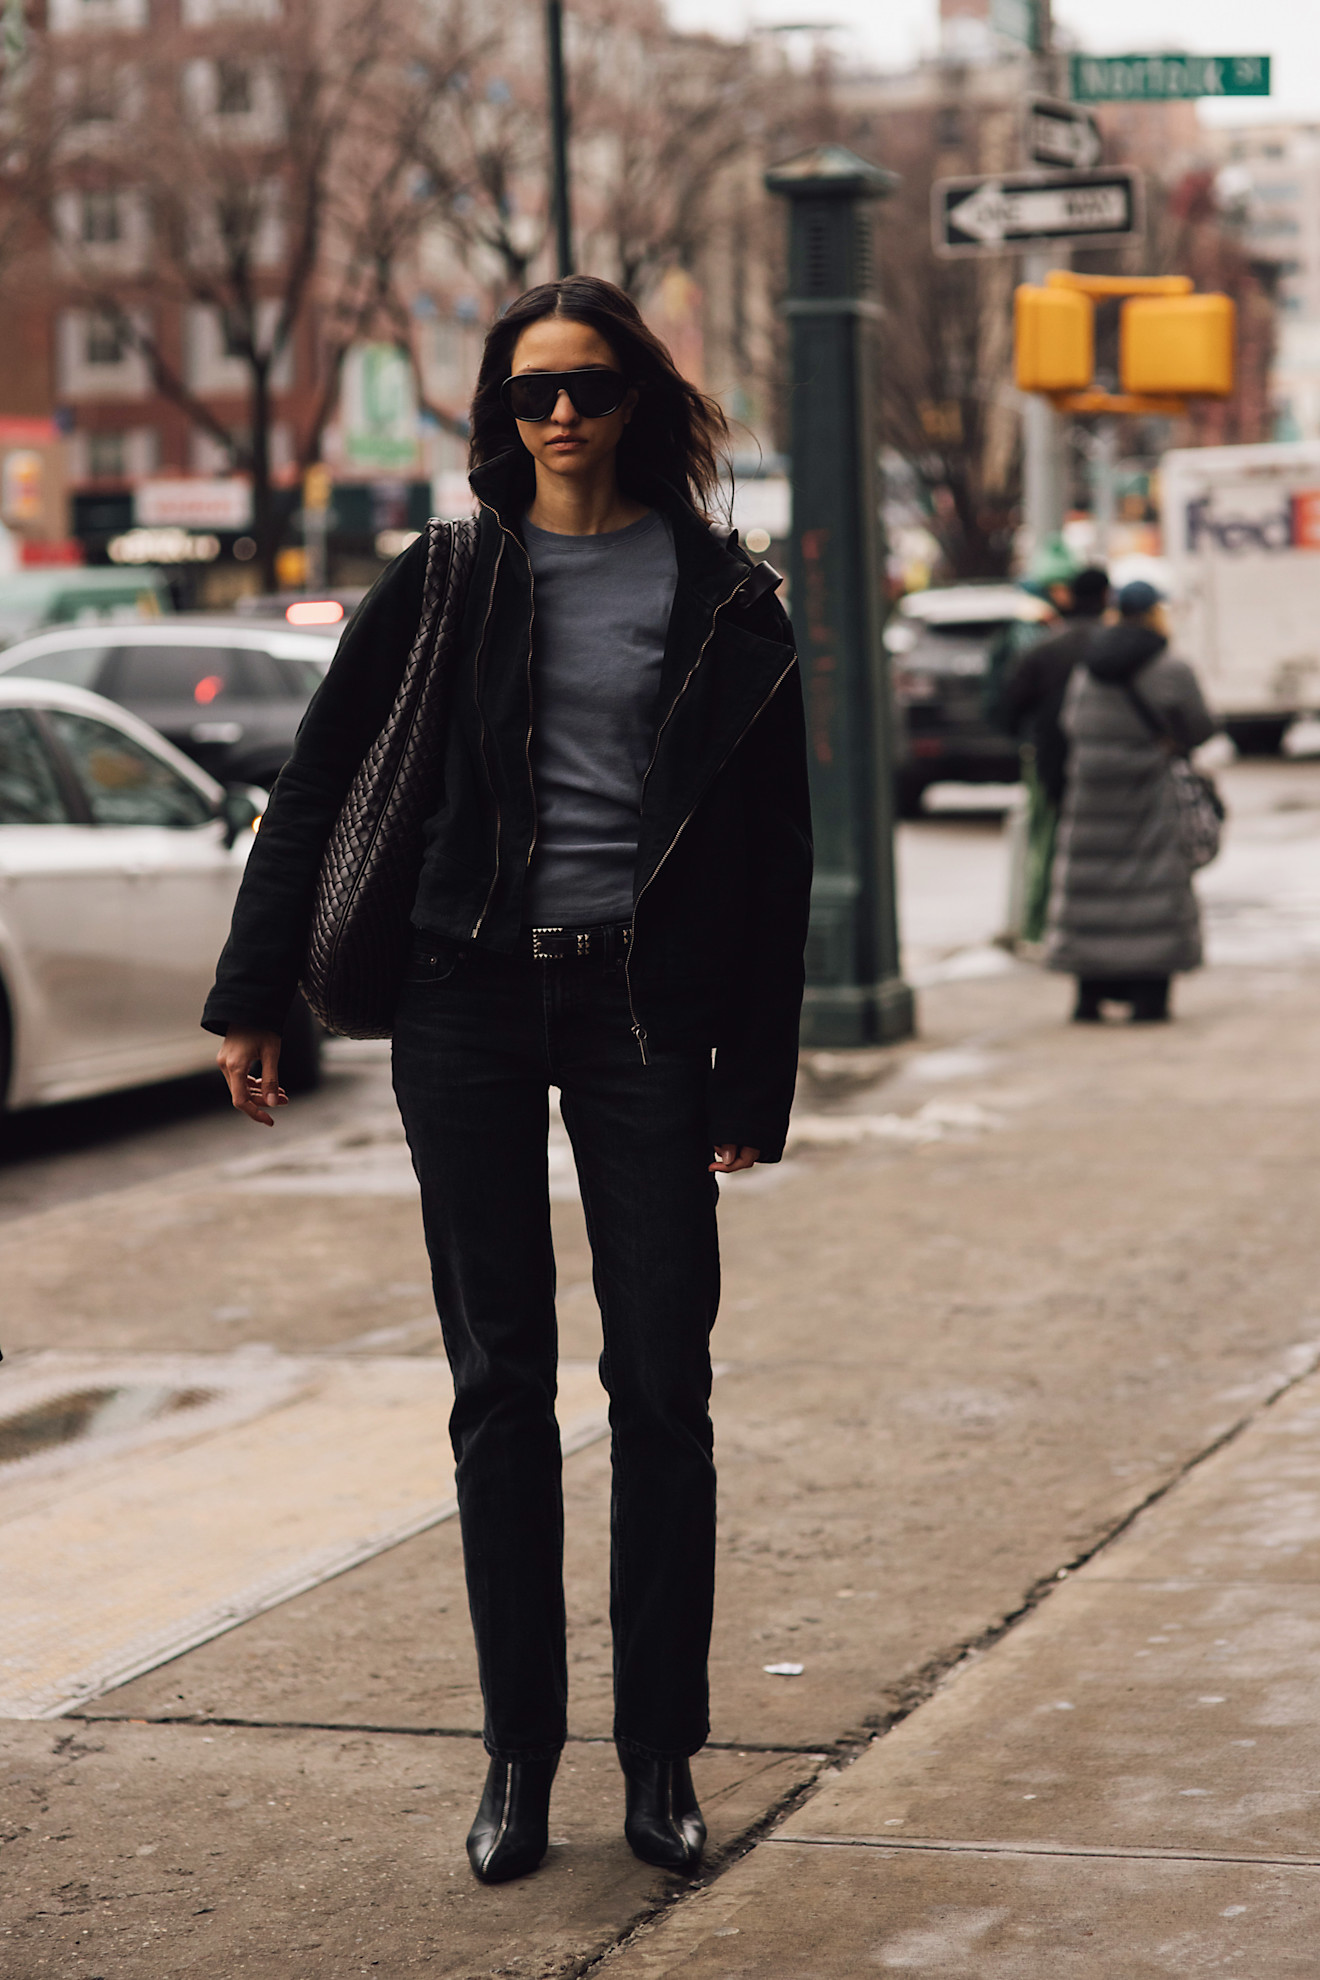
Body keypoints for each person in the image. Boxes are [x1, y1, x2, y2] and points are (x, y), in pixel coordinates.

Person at [200, 276, 812, 1885]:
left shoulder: (726, 596)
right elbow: (320, 781)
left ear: (642, 405)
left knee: (662, 1387)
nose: (558, 418)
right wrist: (252, 993)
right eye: (531, 392)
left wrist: (755, 1075)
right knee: (499, 1393)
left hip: (639, 1015)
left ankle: (661, 1759)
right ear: (498, 411)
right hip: (466, 1001)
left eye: (591, 390)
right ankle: (517, 1765)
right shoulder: (448, 577)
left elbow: (769, 858)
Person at [1046, 579, 1214, 1022]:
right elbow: (1199, 728)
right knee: (1152, 889)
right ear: (1156, 613)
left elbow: (1070, 724)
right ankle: (1149, 998)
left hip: (1091, 798)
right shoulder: (1170, 667)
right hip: (1149, 795)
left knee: (1093, 892)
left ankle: (1089, 994)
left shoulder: (1088, 669)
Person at [1001, 566, 1110, 944]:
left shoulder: (1045, 649)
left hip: (1050, 760)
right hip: (1106, 765)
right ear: (1106, 597)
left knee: (1048, 848)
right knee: (1105, 850)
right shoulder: (1114, 646)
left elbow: (1010, 706)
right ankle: (1096, 926)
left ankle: (1039, 927)